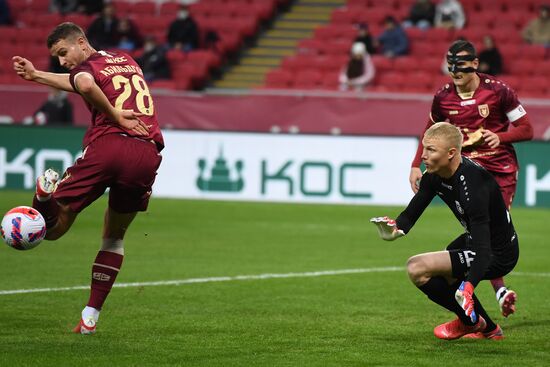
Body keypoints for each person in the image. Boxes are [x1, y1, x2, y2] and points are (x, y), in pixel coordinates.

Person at [12, 22, 164, 334]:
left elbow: (82, 82)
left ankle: (42, 196)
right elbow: (79, 79)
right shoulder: (126, 60)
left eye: (63, 52)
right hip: (145, 153)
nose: (62, 61)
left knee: (52, 230)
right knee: (114, 237)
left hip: (108, 146)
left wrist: (116, 116)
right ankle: (90, 318)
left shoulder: (87, 68)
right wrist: (37, 75)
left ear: (81, 42)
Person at [408, 40, 533, 318]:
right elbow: (430, 132)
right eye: (450, 65)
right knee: (473, 237)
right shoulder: (443, 97)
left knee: (488, 231)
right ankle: (482, 309)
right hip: (463, 171)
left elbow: (527, 129)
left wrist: (500, 136)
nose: (455, 70)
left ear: (475, 64)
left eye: (461, 64)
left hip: (498, 171)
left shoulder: (500, 92)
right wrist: (416, 164)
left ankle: (487, 300)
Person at [372, 122, 519, 340]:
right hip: (476, 241)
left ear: (451, 153)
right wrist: (395, 229)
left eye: (430, 150)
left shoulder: (474, 184)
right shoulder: (435, 175)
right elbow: (411, 215)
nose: (423, 155)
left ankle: (471, 322)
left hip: (498, 253)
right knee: (447, 263)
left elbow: (483, 249)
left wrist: (469, 287)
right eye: (424, 148)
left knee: (417, 268)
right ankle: (487, 329)